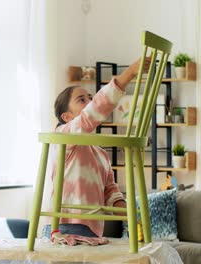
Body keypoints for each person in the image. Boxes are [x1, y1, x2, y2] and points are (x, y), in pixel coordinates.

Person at [43, 57, 151, 238]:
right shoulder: (63, 137)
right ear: (67, 116)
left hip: (92, 229)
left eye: (90, 98)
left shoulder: (100, 153)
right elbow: (89, 116)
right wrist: (129, 73)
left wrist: (127, 213)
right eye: (81, 100)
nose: (89, 102)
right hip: (64, 225)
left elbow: (110, 190)